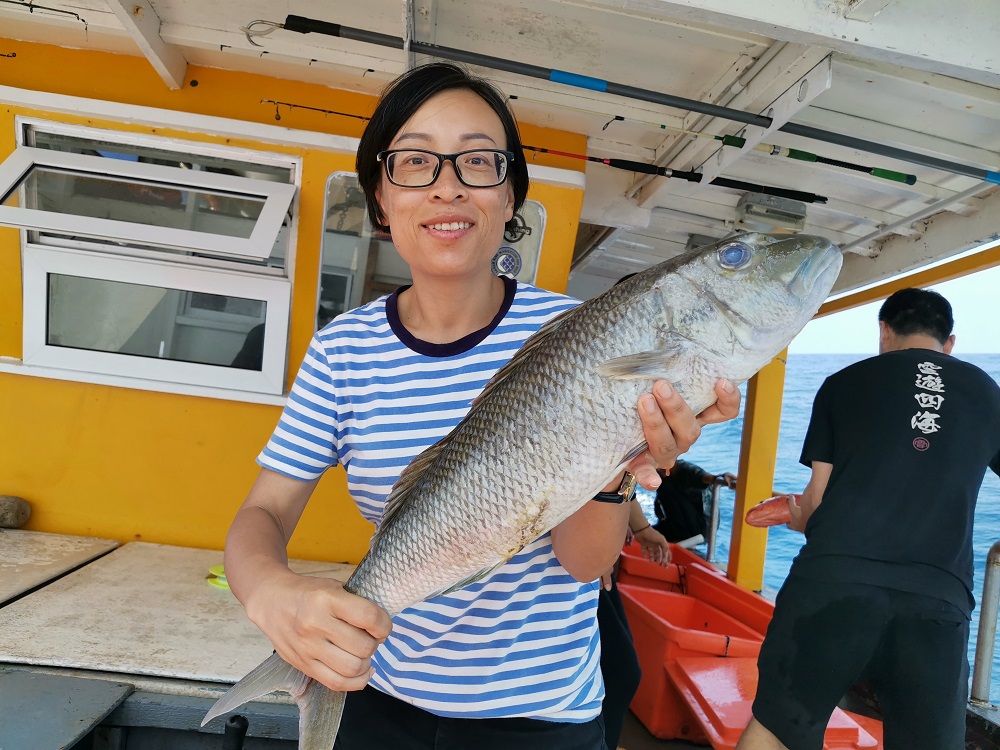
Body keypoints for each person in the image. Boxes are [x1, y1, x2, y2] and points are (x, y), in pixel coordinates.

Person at [222, 62, 741, 750]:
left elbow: (585, 565)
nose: (447, 184)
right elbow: (262, 513)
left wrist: (622, 461)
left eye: (478, 161)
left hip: (540, 718)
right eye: (414, 161)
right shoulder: (343, 350)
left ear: (509, 198)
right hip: (379, 694)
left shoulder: (583, 335)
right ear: (380, 198)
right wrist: (270, 593)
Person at [737, 288, 1000, 750]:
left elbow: (816, 500)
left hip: (833, 582)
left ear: (884, 331)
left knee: (779, 730)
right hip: (937, 598)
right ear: (949, 342)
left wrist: (798, 517)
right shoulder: (986, 390)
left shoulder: (843, 382)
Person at [652, 459, 737, 545]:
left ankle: (681, 538)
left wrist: (722, 477)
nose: (658, 470)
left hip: (698, 528)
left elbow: (707, 478)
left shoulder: (686, 470)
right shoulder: (661, 475)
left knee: (668, 487)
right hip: (673, 524)